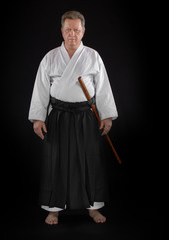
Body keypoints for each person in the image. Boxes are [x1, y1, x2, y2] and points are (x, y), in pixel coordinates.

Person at [28, 10, 118, 225]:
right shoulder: (50, 57)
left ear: (83, 31)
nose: (72, 34)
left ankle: (93, 207)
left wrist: (106, 116)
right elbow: (40, 90)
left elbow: (103, 88)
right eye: (68, 29)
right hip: (58, 116)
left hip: (86, 115)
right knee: (55, 161)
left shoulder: (93, 56)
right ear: (62, 30)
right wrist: (39, 119)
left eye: (76, 30)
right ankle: (53, 209)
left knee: (90, 160)